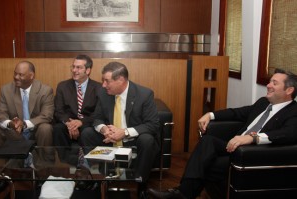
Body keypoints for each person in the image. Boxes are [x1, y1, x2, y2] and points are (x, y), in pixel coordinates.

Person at [148, 68, 297, 199]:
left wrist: (252, 138)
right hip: (232, 145)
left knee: (206, 163)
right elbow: (237, 113)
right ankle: (183, 193)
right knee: (207, 141)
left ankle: (182, 193)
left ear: (289, 90)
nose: (269, 85)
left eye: (274, 83)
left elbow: (289, 133)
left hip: (251, 154)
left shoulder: (293, 111)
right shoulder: (263, 103)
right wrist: (210, 115)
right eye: (270, 81)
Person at [81, 61, 160, 198]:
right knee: (87, 133)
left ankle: (141, 183)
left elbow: (152, 124)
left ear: (121, 80)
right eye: (103, 81)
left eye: (107, 81)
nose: (103, 85)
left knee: (147, 139)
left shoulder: (144, 94)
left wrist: (124, 132)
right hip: (109, 138)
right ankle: (97, 177)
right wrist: (104, 129)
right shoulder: (104, 93)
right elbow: (97, 119)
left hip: (133, 139)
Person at [0, 61, 55, 166]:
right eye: (15, 73)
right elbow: (1, 113)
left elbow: (47, 115)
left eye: (21, 75)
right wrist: (11, 123)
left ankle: (44, 167)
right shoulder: (6, 90)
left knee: (46, 128)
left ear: (31, 76)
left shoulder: (45, 91)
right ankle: (3, 170)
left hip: (35, 130)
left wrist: (24, 124)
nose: (16, 77)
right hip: (14, 132)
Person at [53, 54, 101, 165]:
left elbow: (98, 114)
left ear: (88, 70)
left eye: (78, 67)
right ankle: (65, 164)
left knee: (87, 132)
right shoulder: (63, 86)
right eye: (73, 67)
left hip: (87, 124)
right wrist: (70, 123)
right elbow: (59, 111)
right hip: (68, 124)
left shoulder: (98, 88)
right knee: (57, 129)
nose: (74, 70)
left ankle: (89, 166)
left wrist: (81, 122)